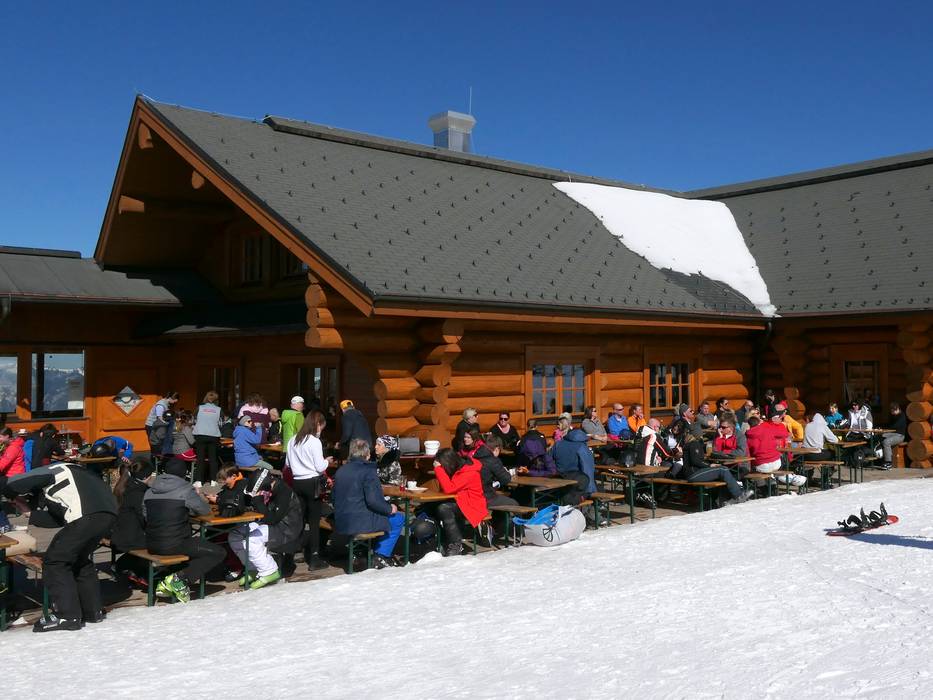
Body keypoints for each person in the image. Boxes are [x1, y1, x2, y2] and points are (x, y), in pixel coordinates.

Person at [3, 461, 117, 631]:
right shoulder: (81, 476)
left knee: (55, 562)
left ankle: (67, 616)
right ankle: (92, 612)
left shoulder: (55, 469)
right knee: (79, 560)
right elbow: (58, 520)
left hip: (85, 517)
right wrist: (29, 513)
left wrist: (9, 493)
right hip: (107, 516)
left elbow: (13, 482)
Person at [142, 458, 225, 603]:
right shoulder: (186, 490)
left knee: (196, 547)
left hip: (152, 543)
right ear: (184, 473)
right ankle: (179, 579)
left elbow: (146, 515)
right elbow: (204, 510)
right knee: (218, 552)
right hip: (176, 543)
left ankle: (175, 580)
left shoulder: (149, 491)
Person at [332, 439, 405, 567]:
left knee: (383, 515)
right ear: (367, 454)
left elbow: (333, 497)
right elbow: (373, 501)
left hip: (341, 519)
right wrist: (389, 508)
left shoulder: (341, 470)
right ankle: (380, 555)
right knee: (398, 518)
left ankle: (366, 551)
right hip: (359, 521)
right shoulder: (368, 472)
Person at [229, 468, 304, 587]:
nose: (260, 493)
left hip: (287, 528)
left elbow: (272, 519)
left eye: (259, 490)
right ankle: (254, 568)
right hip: (271, 523)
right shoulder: (270, 488)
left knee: (252, 540)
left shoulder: (284, 491)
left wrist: (258, 501)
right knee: (235, 535)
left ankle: (270, 571)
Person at [285, 410, 332, 571]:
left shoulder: (293, 440)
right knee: (313, 523)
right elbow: (319, 467)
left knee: (298, 521)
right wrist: (327, 461)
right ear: (317, 424)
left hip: (297, 482)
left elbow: (288, 464)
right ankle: (314, 558)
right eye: (321, 427)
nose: (321, 431)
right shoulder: (314, 442)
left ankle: (288, 557)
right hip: (312, 483)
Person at [432, 447, 487, 557]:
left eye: (443, 466)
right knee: (429, 507)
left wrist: (438, 469)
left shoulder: (469, 472)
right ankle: (439, 540)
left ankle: (455, 544)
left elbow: (449, 488)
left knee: (444, 508)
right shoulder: (460, 468)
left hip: (472, 505)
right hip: (462, 501)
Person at [109, 459, 155, 583]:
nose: (152, 477)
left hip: (118, 533)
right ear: (145, 477)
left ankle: (127, 567)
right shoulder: (138, 493)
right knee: (162, 542)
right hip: (129, 537)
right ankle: (133, 569)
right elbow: (145, 519)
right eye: (151, 475)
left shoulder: (125, 485)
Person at [680, 431, 748, 505]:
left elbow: (696, 459)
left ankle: (723, 499)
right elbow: (696, 461)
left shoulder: (691, 444)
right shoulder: (694, 444)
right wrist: (709, 465)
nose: (702, 436)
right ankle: (738, 496)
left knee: (722, 472)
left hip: (692, 473)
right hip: (693, 474)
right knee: (723, 470)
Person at [745, 415, 805, 486]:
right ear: (759, 423)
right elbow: (784, 434)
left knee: (751, 469)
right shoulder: (768, 429)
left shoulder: (748, 436)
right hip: (777, 463)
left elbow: (747, 453)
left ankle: (762, 487)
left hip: (762, 465)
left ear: (749, 425)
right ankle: (772, 483)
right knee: (768, 468)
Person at [549, 426, 595, 506]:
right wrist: (590, 490)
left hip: (559, 478)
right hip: (577, 481)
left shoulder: (558, 444)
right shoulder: (581, 447)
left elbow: (548, 460)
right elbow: (587, 468)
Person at [473, 434, 517, 508]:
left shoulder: (475, 457)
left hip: (473, 495)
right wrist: (505, 473)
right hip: (486, 497)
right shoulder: (493, 460)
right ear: (496, 449)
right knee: (514, 503)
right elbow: (506, 479)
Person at [193, 390, 223, 485]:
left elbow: (194, 421)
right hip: (213, 435)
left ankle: (199, 481)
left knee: (200, 459)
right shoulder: (219, 409)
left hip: (200, 434)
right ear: (216, 400)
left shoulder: (199, 408)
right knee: (213, 459)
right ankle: (213, 480)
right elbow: (221, 424)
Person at [145, 391, 179, 455]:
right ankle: (154, 457)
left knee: (159, 443)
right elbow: (160, 418)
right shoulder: (161, 405)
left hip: (158, 425)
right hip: (152, 425)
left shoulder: (167, 404)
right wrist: (168, 424)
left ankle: (157, 456)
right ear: (171, 398)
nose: (175, 402)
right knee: (154, 443)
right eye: (175, 400)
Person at [881, 403, 907, 469]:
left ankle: (888, 462)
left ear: (898, 409)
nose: (893, 412)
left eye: (894, 410)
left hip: (900, 435)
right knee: (880, 436)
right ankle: (880, 458)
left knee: (886, 442)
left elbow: (895, 426)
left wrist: (887, 428)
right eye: (892, 411)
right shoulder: (892, 416)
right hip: (892, 433)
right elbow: (889, 424)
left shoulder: (902, 416)